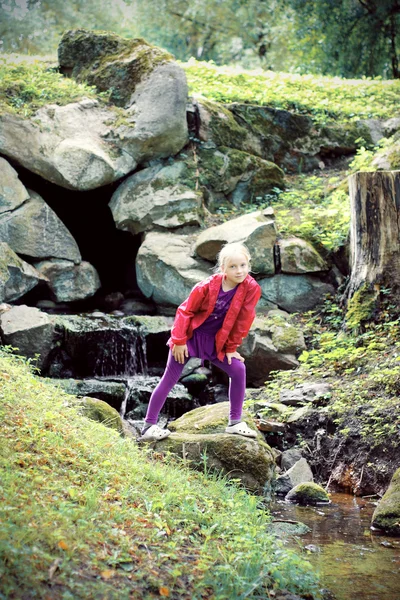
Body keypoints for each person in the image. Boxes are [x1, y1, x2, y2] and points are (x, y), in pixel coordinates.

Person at [139, 242, 262, 441]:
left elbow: (244, 320)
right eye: (233, 267)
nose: (239, 271)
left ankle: (235, 422)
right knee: (169, 378)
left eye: (243, 265)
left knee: (238, 370)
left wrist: (231, 348)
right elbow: (185, 311)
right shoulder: (206, 286)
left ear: (248, 264)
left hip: (216, 343)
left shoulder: (251, 289)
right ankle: (148, 426)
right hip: (189, 339)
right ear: (223, 268)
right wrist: (178, 341)